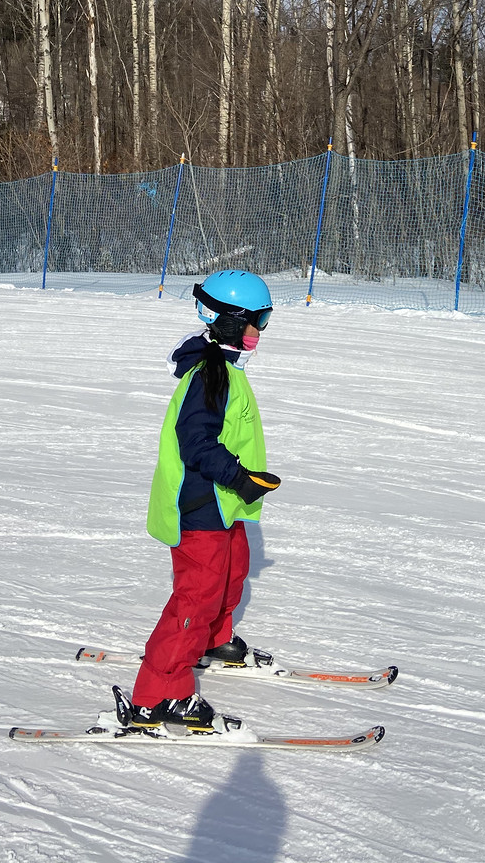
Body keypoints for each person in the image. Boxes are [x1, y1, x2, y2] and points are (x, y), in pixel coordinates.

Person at [128, 269, 280, 734]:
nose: (259, 332)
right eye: (254, 320)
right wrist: (241, 477)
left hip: (223, 504)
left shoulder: (223, 367)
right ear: (228, 321)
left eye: (265, 320)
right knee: (195, 597)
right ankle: (157, 696)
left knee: (233, 571)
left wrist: (242, 484)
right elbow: (196, 442)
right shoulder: (211, 375)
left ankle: (214, 640)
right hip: (200, 506)